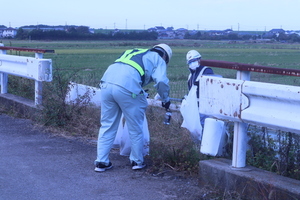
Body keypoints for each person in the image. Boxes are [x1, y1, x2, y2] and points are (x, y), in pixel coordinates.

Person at [94, 44, 172, 172]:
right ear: (165, 56)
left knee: (107, 124)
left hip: (107, 83)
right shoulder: (159, 59)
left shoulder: (135, 52)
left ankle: (101, 162)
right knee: (135, 127)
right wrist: (165, 99)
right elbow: (161, 81)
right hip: (127, 87)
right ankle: (137, 161)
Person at [185, 50, 215, 128]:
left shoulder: (207, 71)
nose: (192, 63)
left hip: (205, 108)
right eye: (190, 62)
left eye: (194, 60)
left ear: (199, 59)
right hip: (194, 108)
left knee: (204, 129)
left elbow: (212, 89)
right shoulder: (191, 75)